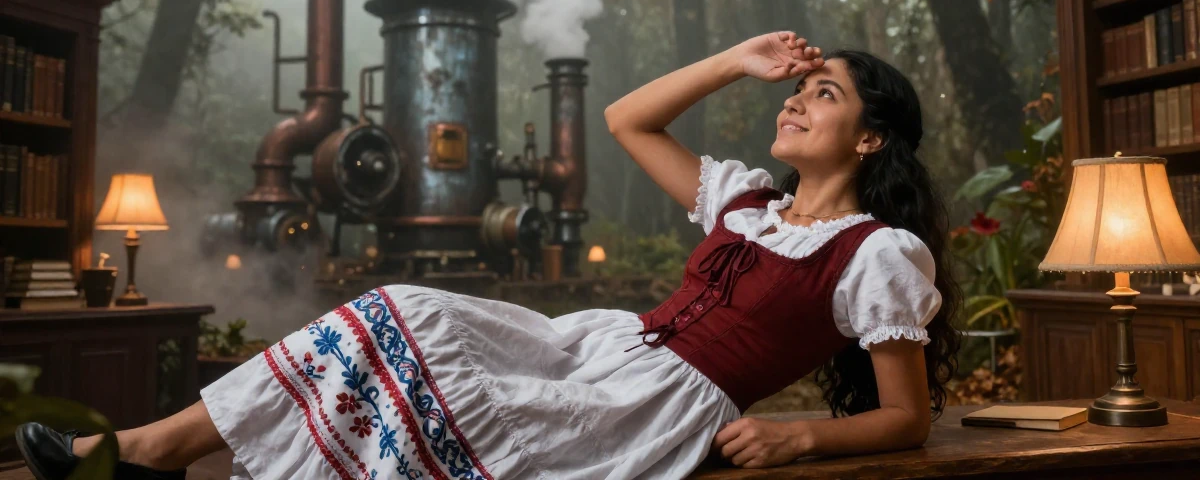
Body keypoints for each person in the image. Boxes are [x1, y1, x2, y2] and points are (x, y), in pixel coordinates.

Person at [15, 32, 960, 480]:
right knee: (394, 309)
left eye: (823, 94)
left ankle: (142, 454)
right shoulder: (747, 199)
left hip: (650, 409)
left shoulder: (877, 253)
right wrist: (735, 60)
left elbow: (905, 418)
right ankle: (148, 447)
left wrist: (801, 434)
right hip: (603, 351)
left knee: (418, 372)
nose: (794, 101)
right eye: (798, 87)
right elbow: (627, 118)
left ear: (871, 140)